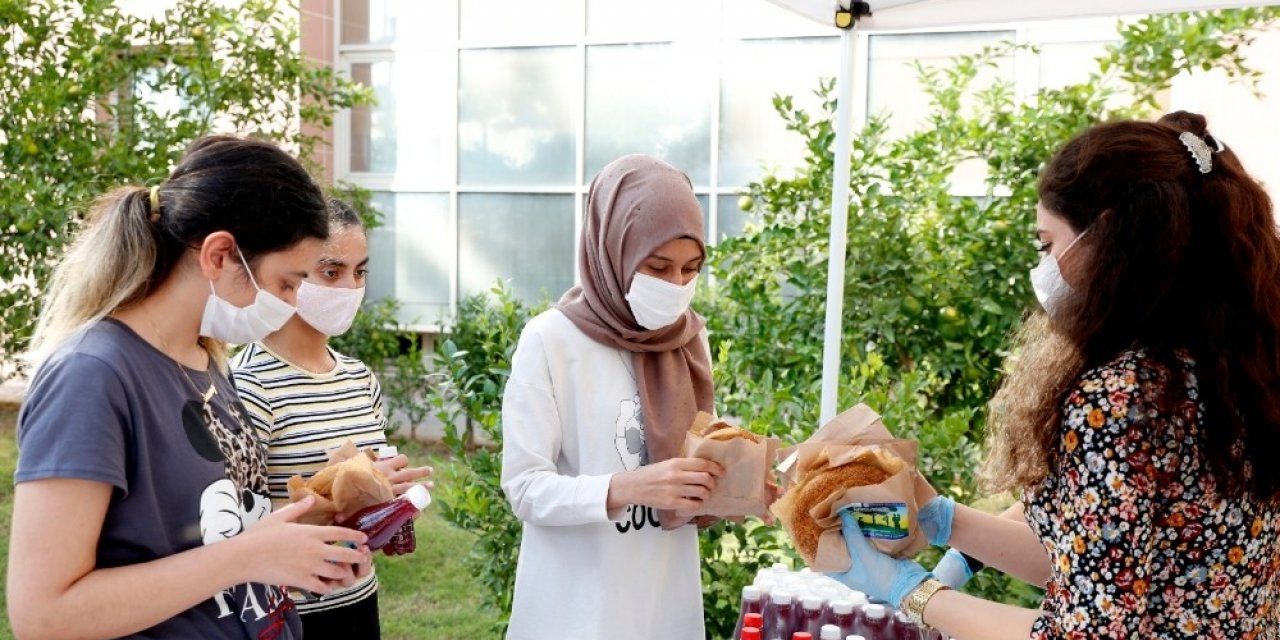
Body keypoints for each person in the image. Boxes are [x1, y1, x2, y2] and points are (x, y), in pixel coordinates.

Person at [831, 111, 1280, 638]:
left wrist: (911, 591)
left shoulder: (1119, 397)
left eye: (1048, 244)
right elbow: (1101, 573)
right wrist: (942, 517)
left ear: (1109, 237)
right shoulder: (1237, 371)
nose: (1044, 267)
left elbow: (1085, 631)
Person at [7, 135, 372, 640]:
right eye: (288, 283)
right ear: (220, 255)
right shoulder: (92, 375)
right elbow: (44, 616)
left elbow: (201, 534)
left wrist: (314, 526)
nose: (292, 304)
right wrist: (247, 555)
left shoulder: (204, 358)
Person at [501, 155, 727, 640]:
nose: (676, 287)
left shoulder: (688, 338)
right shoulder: (551, 341)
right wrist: (630, 487)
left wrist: (743, 482)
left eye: (691, 269)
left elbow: (696, 458)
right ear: (613, 250)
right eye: (657, 267)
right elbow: (524, 488)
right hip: (577, 609)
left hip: (665, 599)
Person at [230, 197, 432, 640]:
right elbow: (235, 526)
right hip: (285, 612)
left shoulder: (360, 378)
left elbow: (364, 505)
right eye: (331, 272)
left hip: (360, 600)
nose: (349, 287)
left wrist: (389, 502)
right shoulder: (249, 385)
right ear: (292, 269)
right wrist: (334, 501)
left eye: (360, 271)